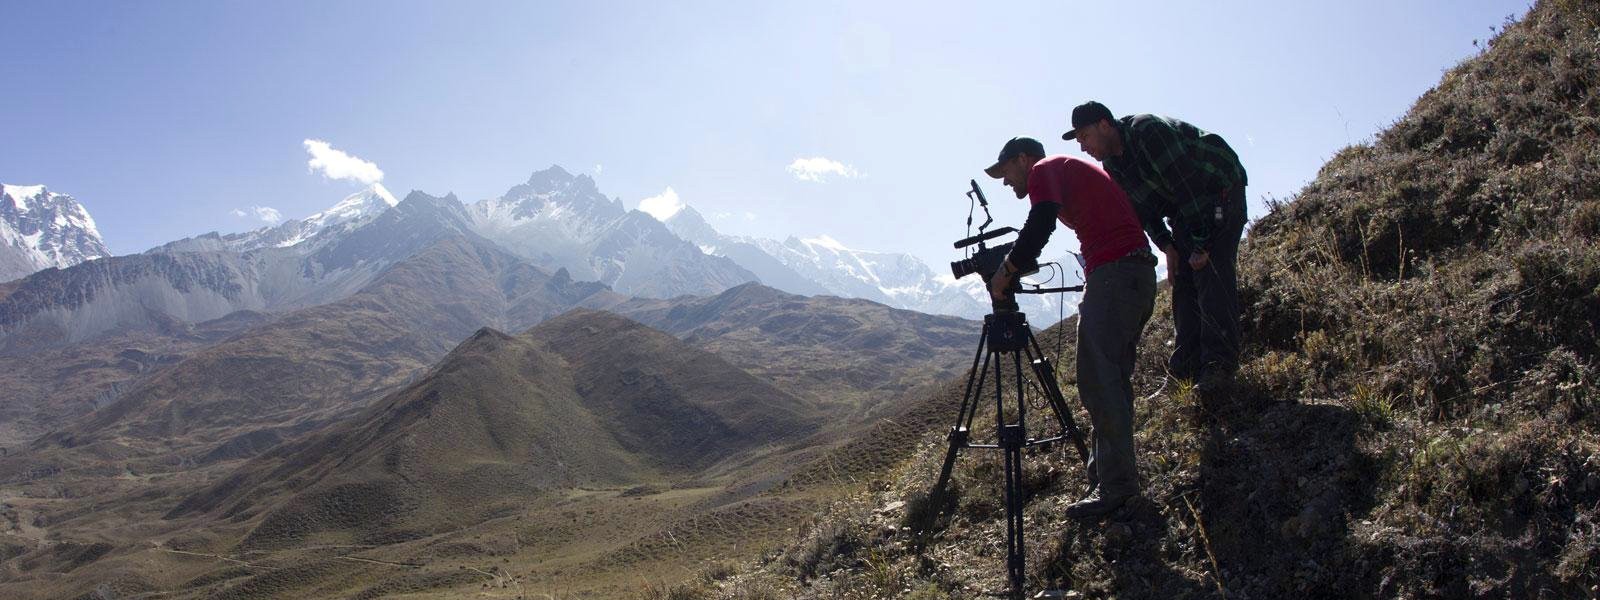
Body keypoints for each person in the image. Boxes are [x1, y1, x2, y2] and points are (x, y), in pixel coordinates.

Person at [984, 136, 1157, 518]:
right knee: (1108, 380)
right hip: (1132, 275)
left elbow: (1041, 221)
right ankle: (1109, 480)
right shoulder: (1067, 171)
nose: (1005, 181)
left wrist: (1006, 270)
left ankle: (1116, 489)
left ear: (1025, 159)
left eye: (1006, 171)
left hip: (1114, 274)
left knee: (1099, 381)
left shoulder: (1045, 169)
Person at [1064, 101, 1248, 390]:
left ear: (1104, 124)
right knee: (1184, 285)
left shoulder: (1147, 131)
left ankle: (1219, 369)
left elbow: (1189, 185)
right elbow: (1140, 210)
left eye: (1084, 137)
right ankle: (1184, 372)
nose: (1083, 147)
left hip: (1220, 192)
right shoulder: (1113, 164)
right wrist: (1168, 246)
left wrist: (1201, 243)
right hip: (1188, 211)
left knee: (1211, 275)